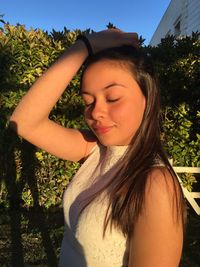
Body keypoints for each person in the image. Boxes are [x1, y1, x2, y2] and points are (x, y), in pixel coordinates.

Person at [10, 29, 186, 267]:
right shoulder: (94, 150)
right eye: (88, 101)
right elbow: (25, 123)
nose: (95, 112)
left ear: (148, 98)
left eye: (112, 98)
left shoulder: (155, 183)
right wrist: (84, 45)